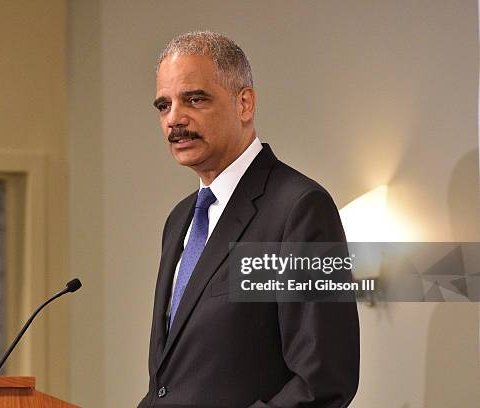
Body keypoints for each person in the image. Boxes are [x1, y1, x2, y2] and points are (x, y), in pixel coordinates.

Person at [139, 31, 359, 408]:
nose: (174, 118)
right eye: (163, 105)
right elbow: (172, 382)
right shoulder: (179, 221)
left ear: (244, 103)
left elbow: (322, 380)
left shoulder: (300, 209)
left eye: (194, 98)